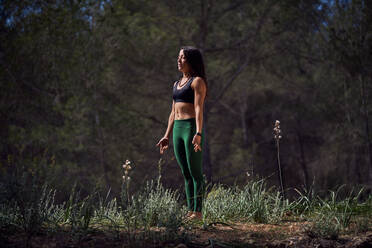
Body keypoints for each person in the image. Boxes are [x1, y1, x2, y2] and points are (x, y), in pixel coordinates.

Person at [156, 46, 207, 220]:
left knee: (195, 173)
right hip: (177, 129)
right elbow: (172, 112)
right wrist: (166, 135)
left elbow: (199, 108)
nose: (179, 60)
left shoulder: (197, 81)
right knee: (186, 173)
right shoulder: (176, 84)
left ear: (191, 60)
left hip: (191, 128)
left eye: (183, 57)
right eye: (178, 57)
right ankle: (190, 211)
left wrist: (198, 133)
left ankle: (198, 212)